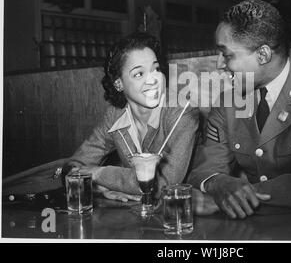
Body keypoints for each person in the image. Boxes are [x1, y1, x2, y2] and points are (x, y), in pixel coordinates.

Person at [187, 0, 291, 219]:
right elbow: (205, 168)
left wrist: (229, 199)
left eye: (227, 54)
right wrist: (217, 182)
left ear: (263, 55)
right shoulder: (227, 102)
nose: (219, 64)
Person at [63, 32, 199, 202]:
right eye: (139, 74)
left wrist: (98, 173)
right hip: (140, 215)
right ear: (119, 83)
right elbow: (73, 167)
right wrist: (99, 188)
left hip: (184, 213)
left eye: (156, 69)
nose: (153, 80)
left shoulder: (182, 112)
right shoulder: (115, 115)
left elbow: (162, 186)